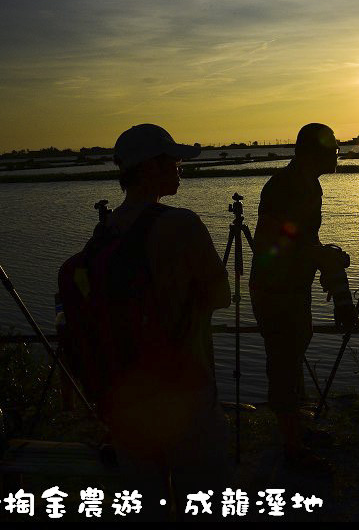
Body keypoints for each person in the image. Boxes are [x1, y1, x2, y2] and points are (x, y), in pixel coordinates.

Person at [103, 123, 233, 498]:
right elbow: (222, 295)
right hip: (183, 384)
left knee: (147, 503)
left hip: (126, 389)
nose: (180, 168)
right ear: (147, 169)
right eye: (173, 161)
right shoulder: (182, 224)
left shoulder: (106, 229)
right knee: (206, 500)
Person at [249, 123, 354, 461]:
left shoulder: (308, 184)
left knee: (292, 358)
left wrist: (322, 258)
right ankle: (292, 447)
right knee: (283, 362)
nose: (337, 154)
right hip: (275, 289)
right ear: (314, 153)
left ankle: (298, 429)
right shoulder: (286, 186)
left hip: (293, 286)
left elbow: (301, 240)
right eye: (333, 148)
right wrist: (317, 257)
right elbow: (269, 242)